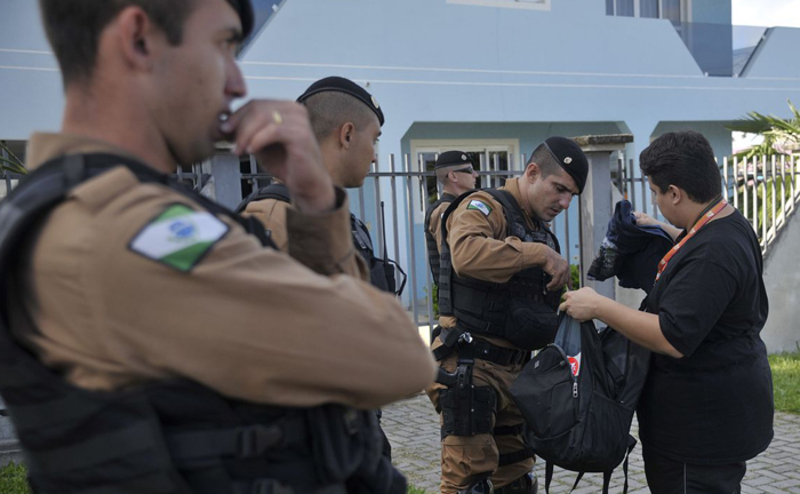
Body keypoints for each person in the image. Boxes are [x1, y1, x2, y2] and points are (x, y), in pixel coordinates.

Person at [0, 1, 436, 493]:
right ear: (139, 38)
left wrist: (314, 199)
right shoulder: (132, 231)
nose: (236, 83)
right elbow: (398, 359)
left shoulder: (65, 205)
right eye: (224, 46)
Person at [560, 130, 773, 494]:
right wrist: (663, 229)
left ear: (675, 192)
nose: (656, 201)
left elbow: (672, 336)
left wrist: (598, 305)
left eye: (658, 193)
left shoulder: (713, 252)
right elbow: (698, 251)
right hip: (705, 419)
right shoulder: (725, 224)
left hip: (700, 432)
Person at [428, 137, 588, 494]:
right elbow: (466, 254)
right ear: (532, 172)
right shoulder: (484, 206)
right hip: (471, 368)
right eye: (559, 188)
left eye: (571, 195)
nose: (564, 202)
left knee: (516, 480)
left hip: (516, 373)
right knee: (469, 483)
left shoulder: (536, 227)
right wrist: (536, 254)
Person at [240, 76, 403, 294]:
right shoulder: (273, 218)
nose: (374, 157)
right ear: (347, 135)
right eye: (374, 140)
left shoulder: (337, 218)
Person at [424, 151, 479, 283]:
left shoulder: (460, 206)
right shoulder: (444, 211)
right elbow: (451, 257)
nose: (476, 174)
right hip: (457, 293)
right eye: (469, 170)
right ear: (453, 176)